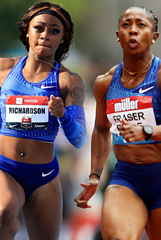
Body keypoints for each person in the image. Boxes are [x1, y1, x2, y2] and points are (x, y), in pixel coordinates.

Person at [74, 6, 161, 240]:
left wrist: (147, 131)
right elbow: (100, 128)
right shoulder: (105, 83)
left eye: (141, 25)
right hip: (126, 176)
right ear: (118, 35)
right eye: (126, 25)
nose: (133, 31)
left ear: (154, 36)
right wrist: (95, 175)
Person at [0, 2, 86, 240]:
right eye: (39, 28)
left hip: (44, 177)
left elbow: (79, 139)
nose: (45, 35)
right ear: (27, 30)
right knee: (3, 213)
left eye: (54, 31)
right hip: (5, 168)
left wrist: (62, 114)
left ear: (63, 38)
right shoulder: (3, 70)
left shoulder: (68, 81)